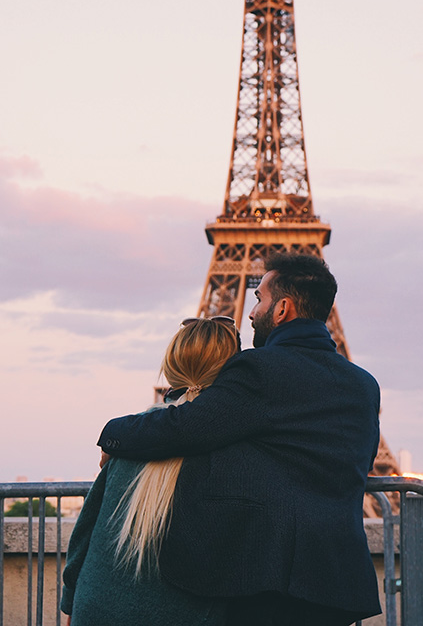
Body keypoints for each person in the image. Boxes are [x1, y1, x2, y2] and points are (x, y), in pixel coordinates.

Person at [98, 253, 382, 625]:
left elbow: (184, 428)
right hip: (337, 578)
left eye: (259, 299)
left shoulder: (259, 369)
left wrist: (111, 433)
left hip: (269, 578)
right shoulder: (363, 385)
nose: (251, 313)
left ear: (282, 309)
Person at [61, 317, 241, 626]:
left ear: (172, 366)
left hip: (97, 606)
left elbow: (85, 532)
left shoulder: (131, 439)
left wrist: (71, 603)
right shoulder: (235, 449)